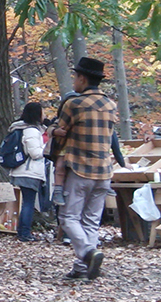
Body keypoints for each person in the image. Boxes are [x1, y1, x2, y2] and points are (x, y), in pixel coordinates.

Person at [54, 57, 116, 280]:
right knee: (90, 221)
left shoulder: (75, 104)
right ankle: (83, 269)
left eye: (75, 76)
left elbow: (61, 131)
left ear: (82, 78)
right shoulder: (111, 105)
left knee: (69, 218)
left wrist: (53, 133)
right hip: (105, 172)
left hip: (80, 169)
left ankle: (88, 253)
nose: (74, 80)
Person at [8, 101, 48, 242]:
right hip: (28, 171)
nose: (44, 115)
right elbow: (35, 153)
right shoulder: (31, 130)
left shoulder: (19, 128)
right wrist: (47, 148)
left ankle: (22, 230)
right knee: (29, 203)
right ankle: (24, 233)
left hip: (21, 170)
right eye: (42, 112)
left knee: (26, 202)